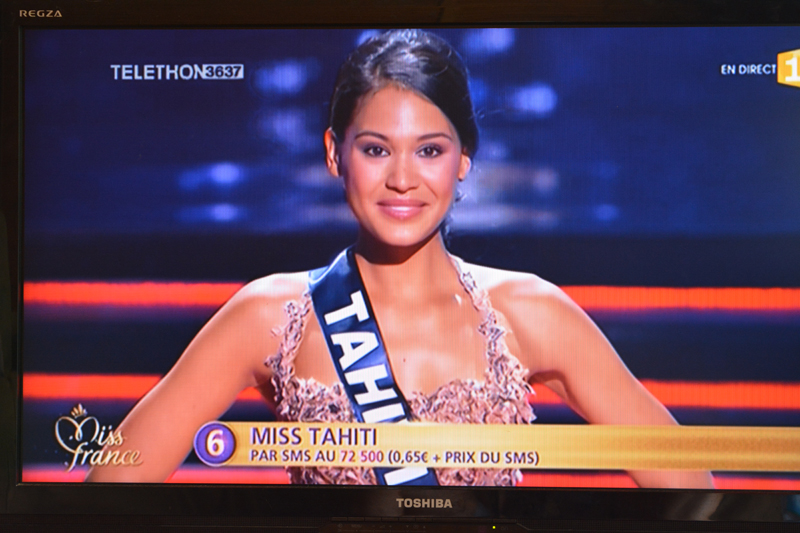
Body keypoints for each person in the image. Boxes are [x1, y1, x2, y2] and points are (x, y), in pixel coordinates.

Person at [87, 29, 713, 488]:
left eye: (430, 151)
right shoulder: (268, 316)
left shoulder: (531, 311)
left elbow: (691, 488)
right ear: (334, 153)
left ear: (464, 159)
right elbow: (110, 488)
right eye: (376, 150)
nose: (403, 179)